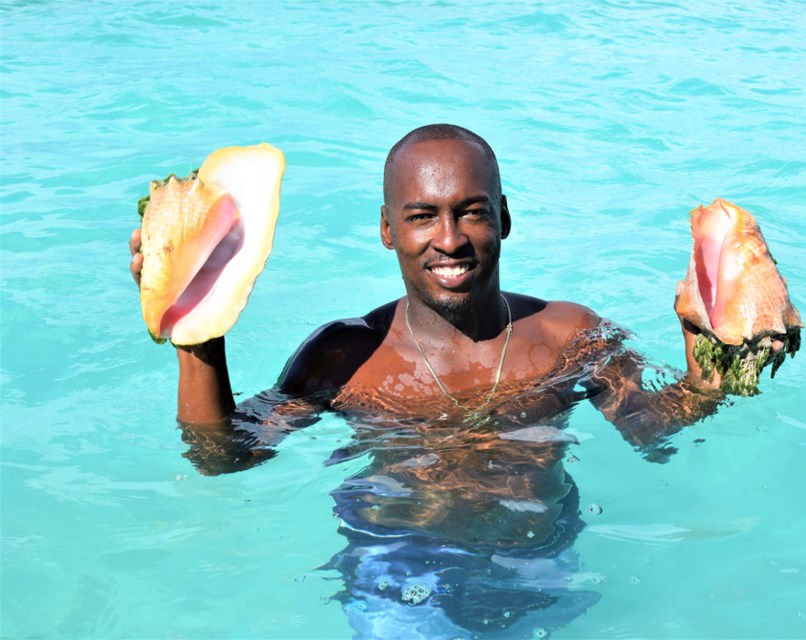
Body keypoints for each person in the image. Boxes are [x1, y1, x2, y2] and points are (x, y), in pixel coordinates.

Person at [128, 124, 732, 636]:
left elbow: (651, 430)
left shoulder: (567, 336)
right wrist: (198, 335)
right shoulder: (345, 355)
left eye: (471, 211)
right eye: (422, 217)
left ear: (505, 219)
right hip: (398, 565)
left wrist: (712, 364)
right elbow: (222, 456)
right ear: (388, 230)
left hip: (538, 555)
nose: (448, 239)